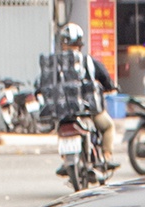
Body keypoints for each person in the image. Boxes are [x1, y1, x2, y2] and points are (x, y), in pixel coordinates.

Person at [54, 23, 118, 166]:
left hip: (64, 112)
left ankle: (66, 160)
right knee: (108, 127)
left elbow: (42, 83)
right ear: (80, 45)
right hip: (90, 110)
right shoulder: (89, 62)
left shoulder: (55, 65)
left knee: (60, 128)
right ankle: (107, 157)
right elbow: (106, 79)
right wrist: (111, 87)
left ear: (62, 44)